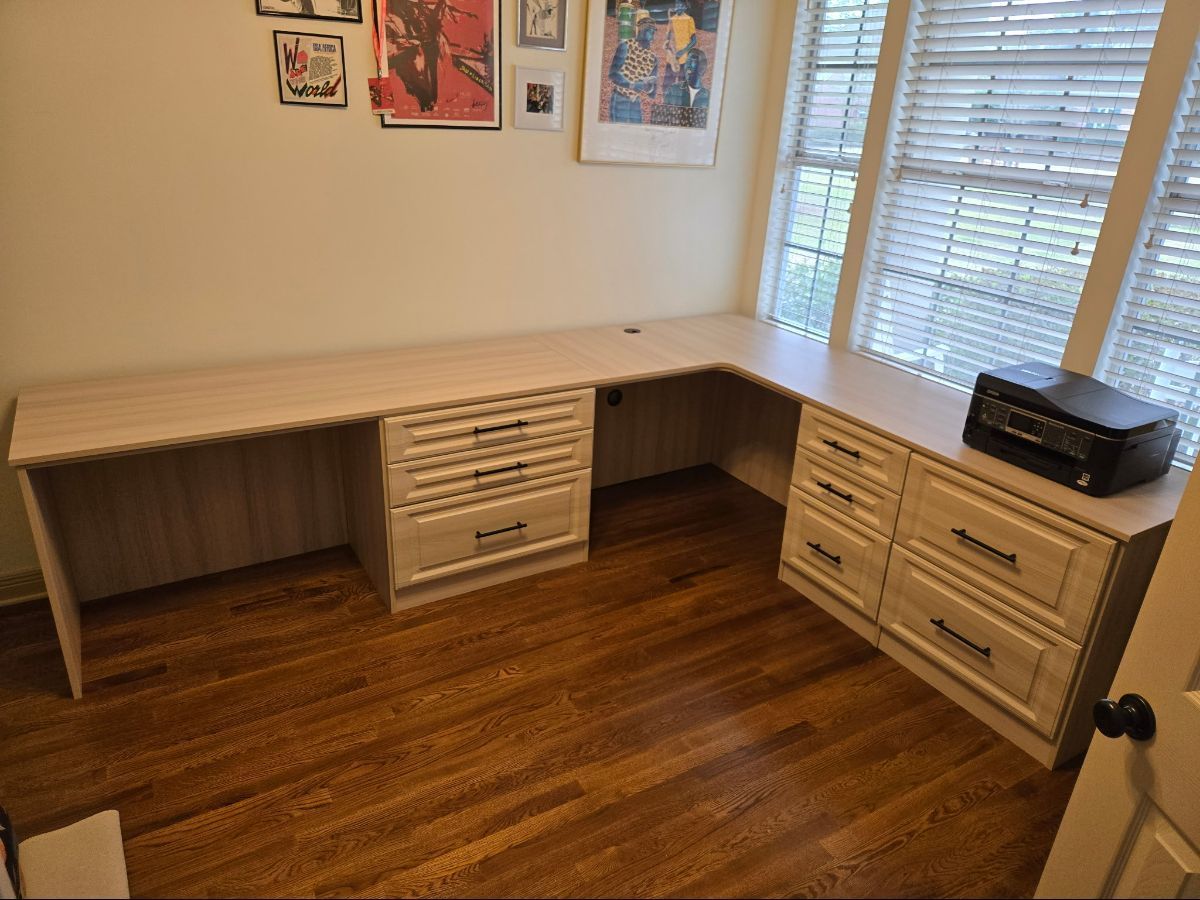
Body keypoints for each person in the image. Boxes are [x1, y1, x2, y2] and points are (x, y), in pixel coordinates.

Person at [608, 12, 658, 123]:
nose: (653, 36)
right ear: (641, 30)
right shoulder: (626, 46)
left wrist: (650, 86)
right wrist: (632, 85)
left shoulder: (653, 58)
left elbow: (652, 93)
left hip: (636, 102)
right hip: (620, 98)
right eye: (650, 31)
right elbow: (612, 74)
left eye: (654, 32)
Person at [662, 0, 697, 92]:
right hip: (672, 57)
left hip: (684, 57)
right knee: (666, 85)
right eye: (676, 4)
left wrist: (682, 51)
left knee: (683, 86)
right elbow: (668, 37)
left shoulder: (689, 19)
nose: (677, 6)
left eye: (680, 4)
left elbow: (694, 40)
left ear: (685, 7)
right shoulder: (672, 19)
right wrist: (666, 43)